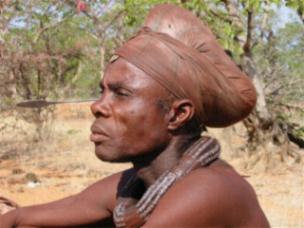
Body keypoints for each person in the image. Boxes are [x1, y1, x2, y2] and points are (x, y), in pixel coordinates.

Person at [0, 4, 269, 228]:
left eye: (121, 94)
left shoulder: (211, 190)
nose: (98, 106)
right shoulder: (136, 182)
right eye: (102, 91)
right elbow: (22, 218)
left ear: (178, 114)